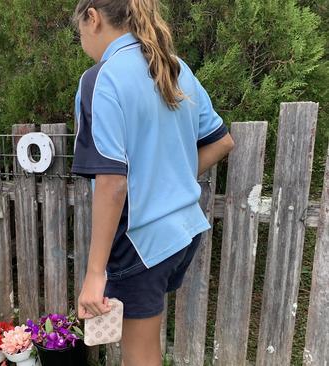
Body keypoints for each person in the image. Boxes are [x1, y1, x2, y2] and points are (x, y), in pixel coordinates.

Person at [71, 1, 235, 365]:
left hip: (140, 244)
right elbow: (221, 141)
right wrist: (169, 179)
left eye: (79, 33)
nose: (82, 42)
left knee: (140, 355)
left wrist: (94, 275)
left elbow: (113, 183)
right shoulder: (175, 67)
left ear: (93, 18)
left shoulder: (100, 79)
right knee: (146, 345)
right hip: (184, 232)